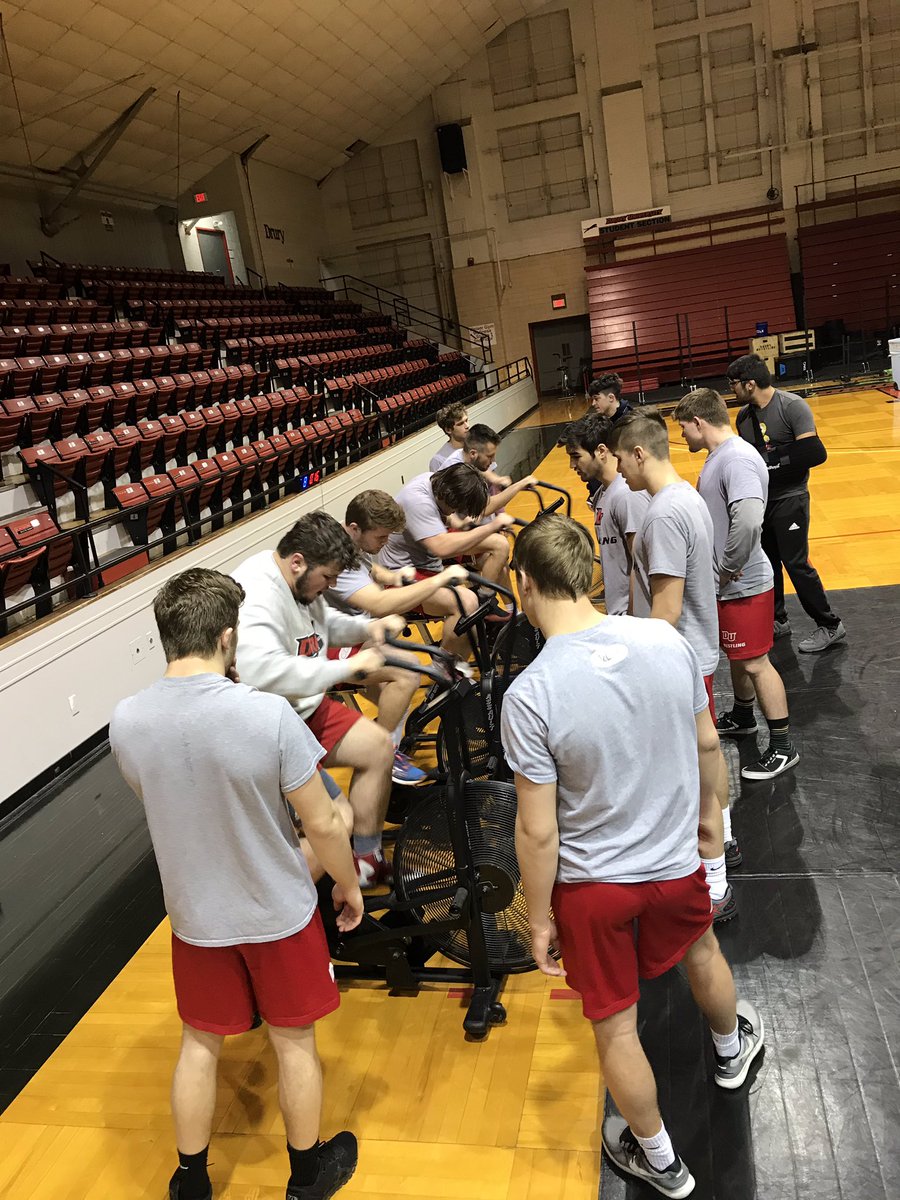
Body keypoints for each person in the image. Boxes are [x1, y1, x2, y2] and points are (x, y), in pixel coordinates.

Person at [500, 515, 764, 1198]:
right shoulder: (663, 640)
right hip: (674, 865)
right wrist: (713, 820)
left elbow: (536, 834)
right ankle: (731, 1052)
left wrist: (536, 918)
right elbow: (709, 745)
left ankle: (662, 1161)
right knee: (703, 951)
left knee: (615, 1025)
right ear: (589, 568)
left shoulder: (529, 694)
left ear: (523, 584)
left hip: (594, 890)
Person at [109, 568, 363, 1200]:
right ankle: (306, 1176)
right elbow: (325, 822)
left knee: (199, 1045)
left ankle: (190, 1181)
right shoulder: (268, 717)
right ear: (227, 637)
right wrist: (348, 881)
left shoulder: (126, 721)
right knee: (294, 1044)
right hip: (276, 911)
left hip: (196, 915)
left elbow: (163, 797)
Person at [231, 512, 406, 888]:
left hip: (302, 709)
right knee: (334, 821)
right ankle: (290, 901)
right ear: (298, 562)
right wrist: (350, 667)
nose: (328, 587)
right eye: (326, 577)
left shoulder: (302, 583)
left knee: (378, 748)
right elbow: (265, 672)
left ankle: (366, 861)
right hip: (271, 726)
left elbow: (324, 630)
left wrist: (368, 627)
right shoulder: (256, 594)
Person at [609, 412, 736, 919]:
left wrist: (627, 658)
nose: (618, 469)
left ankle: (714, 881)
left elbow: (665, 611)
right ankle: (726, 840)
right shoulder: (688, 496)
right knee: (710, 757)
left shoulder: (661, 514)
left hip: (677, 659)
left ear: (639, 453)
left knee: (691, 771)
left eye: (620, 457)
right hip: (698, 651)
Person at [675, 388, 800, 783]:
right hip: (732, 584)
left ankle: (782, 746)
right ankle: (744, 717)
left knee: (756, 662)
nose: (682, 437)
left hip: (744, 584)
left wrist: (726, 568)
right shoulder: (721, 458)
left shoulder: (738, 459)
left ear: (699, 422)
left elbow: (748, 520)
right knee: (739, 656)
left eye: (683, 428)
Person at [727, 354, 845, 653]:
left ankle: (830, 625)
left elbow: (814, 453)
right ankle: (778, 620)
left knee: (795, 562)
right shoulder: (743, 417)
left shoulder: (792, 406)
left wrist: (772, 463)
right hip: (764, 500)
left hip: (791, 498)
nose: (732, 390)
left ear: (750, 384)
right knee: (769, 562)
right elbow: (754, 461)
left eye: (734, 384)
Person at [327, 486, 471, 659]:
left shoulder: (349, 533)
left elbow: (372, 569)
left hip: (358, 623)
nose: (386, 542)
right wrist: (439, 580)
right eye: (381, 537)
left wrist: (394, 577)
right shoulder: (337, 557)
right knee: (407, 672)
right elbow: (378, 604)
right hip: (335, 639)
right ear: (355, 528)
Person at [378, 463, 516, 640]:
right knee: (466, 603)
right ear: (448, 498)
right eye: (456, 509)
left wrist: (456, 523)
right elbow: (441, 548)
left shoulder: (435, 482)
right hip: (403, 574)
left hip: (430, 553)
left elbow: (445, 520)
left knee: (499, 544)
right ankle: (443, 664)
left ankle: (487, 600)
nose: (457, 512)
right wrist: (492, 526)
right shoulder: (417, 500)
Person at [564, 412, 650, 616]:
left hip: (633, 618)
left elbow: (640, 564)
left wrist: (630, 618)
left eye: (576, 456)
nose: (572, 465)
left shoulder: (627, 495)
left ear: (601, 451)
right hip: (618, 616)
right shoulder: (603, 494)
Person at [441, 422, 537, 517]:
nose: (493, 461)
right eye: (490, 456)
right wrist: (519, 485)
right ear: (473, 454)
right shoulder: (456, 470)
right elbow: (483, 509)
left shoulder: (471, 458)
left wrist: (497, 480)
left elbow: (488, 476)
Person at [428, 401, 469, 472]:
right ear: (448, 430)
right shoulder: (438, 460)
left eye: (466, 420)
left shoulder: (478, 445)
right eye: (461, 423)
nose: (467, 426)